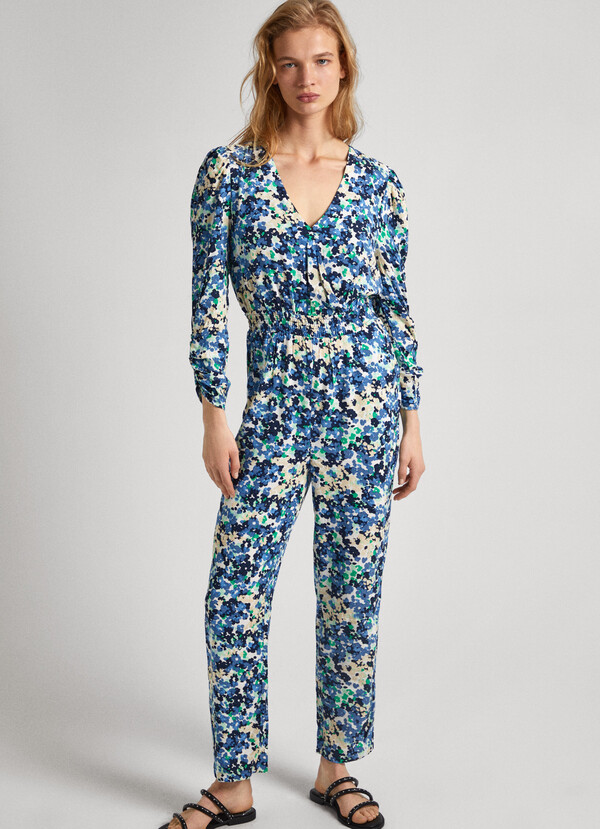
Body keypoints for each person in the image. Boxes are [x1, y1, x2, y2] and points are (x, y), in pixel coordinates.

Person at [160, 2, 425, 827]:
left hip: (366, 413)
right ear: (269, 71)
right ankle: (233, 779)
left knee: (351, 591)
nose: (306, 78)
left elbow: (395, 306)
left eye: (321, 61)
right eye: (289, 62)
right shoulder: (229, 175)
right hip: (271, 414)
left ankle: (336, 768)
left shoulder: (379, 185)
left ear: (343, 67)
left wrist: (413, 418)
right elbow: (207, 303)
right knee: (234, 592)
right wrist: (213, 413)